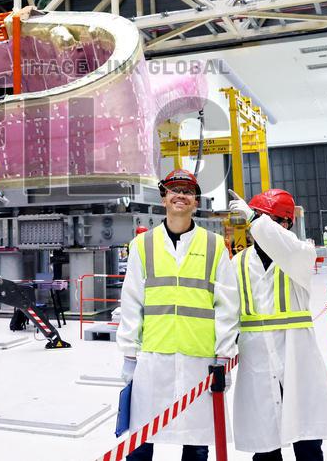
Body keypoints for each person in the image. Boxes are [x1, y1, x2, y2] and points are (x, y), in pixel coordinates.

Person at [117, 169, 239, 461]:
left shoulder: (213, 245)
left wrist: (223, 356)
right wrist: (129, 355)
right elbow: (132, 301)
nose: (180, 196)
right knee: (141, 437)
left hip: (199, 358)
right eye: (174, 190)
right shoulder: (142, 245)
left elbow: (227, 305)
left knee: (197, 441)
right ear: (164, 197)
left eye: (187, 191)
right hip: (152, 357)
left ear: (195, 201)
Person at [227, 189, 327, 460]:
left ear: (287, 224)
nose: (262, 227)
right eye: (259, 219)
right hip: (257, 364)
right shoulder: (238, 263)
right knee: (265, 448)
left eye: (271, 220)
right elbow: (228, 314)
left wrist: (256, 218)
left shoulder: (300, 254)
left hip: (296, 364)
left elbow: (279, 243)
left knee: (308, 447)